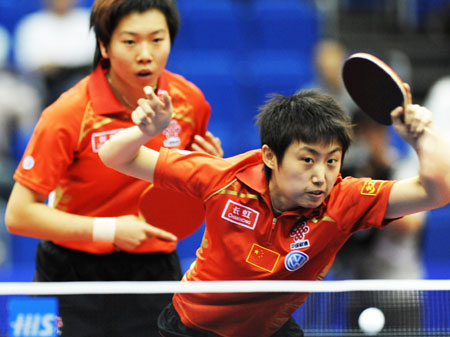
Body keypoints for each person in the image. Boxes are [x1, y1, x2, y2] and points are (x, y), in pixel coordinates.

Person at [99, 85, 450, 336]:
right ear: (270, 156)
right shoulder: (223, 178)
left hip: (267, 329)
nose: (321, 177)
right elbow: (115, 156)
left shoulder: (345, 200)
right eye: (308, 160)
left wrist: (424, 140)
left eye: (332, 161)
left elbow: (435, 192)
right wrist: (144, 130)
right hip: (192, 327)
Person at [5, 0, 223, 336]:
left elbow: (188, 184)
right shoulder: (68, 113)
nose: (145, 53)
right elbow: (18, 215)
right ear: (104, 46)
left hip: (154, 269)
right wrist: (108, 230)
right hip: (68, 270)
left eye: (157, 39)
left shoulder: (188, 100)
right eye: (130, 41)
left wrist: (212, 172)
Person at [14, 0, 96, 106]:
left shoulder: (90, 20)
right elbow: (28, 62)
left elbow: (96, 57)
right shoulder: (31, 24)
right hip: (43, 82)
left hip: (83, 76)